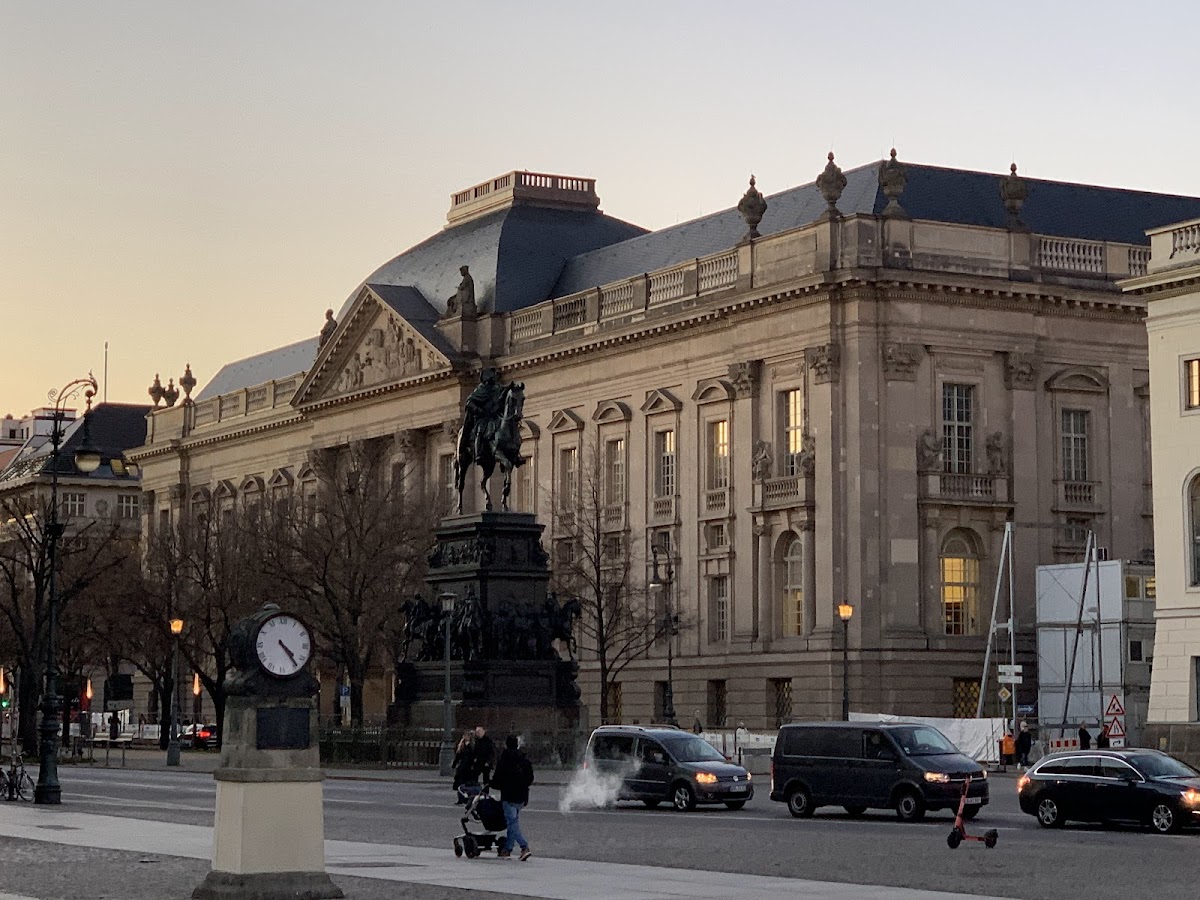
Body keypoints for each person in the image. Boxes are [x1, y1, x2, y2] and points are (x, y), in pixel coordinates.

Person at [491, 734, 534, 861]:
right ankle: (507, 849)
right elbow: (530, 778)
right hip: (522, 796)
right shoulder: (523, 759)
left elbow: (497, 779)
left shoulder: (504, 759)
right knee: (513, 823)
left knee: (512, 823)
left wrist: (491, 783)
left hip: (509, 795)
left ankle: (524, 846)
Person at [452, 731, 477, 802]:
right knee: (460, 784)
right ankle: (460, 798)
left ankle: (467, 798)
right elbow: (458, 756)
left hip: (469, 767)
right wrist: (454, 764)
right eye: (464, 736)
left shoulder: (472, 745)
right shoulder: (461, 745)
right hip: (462, 767)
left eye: (466, 736)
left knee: (467, 784)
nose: (465, 737)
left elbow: (474, 756)